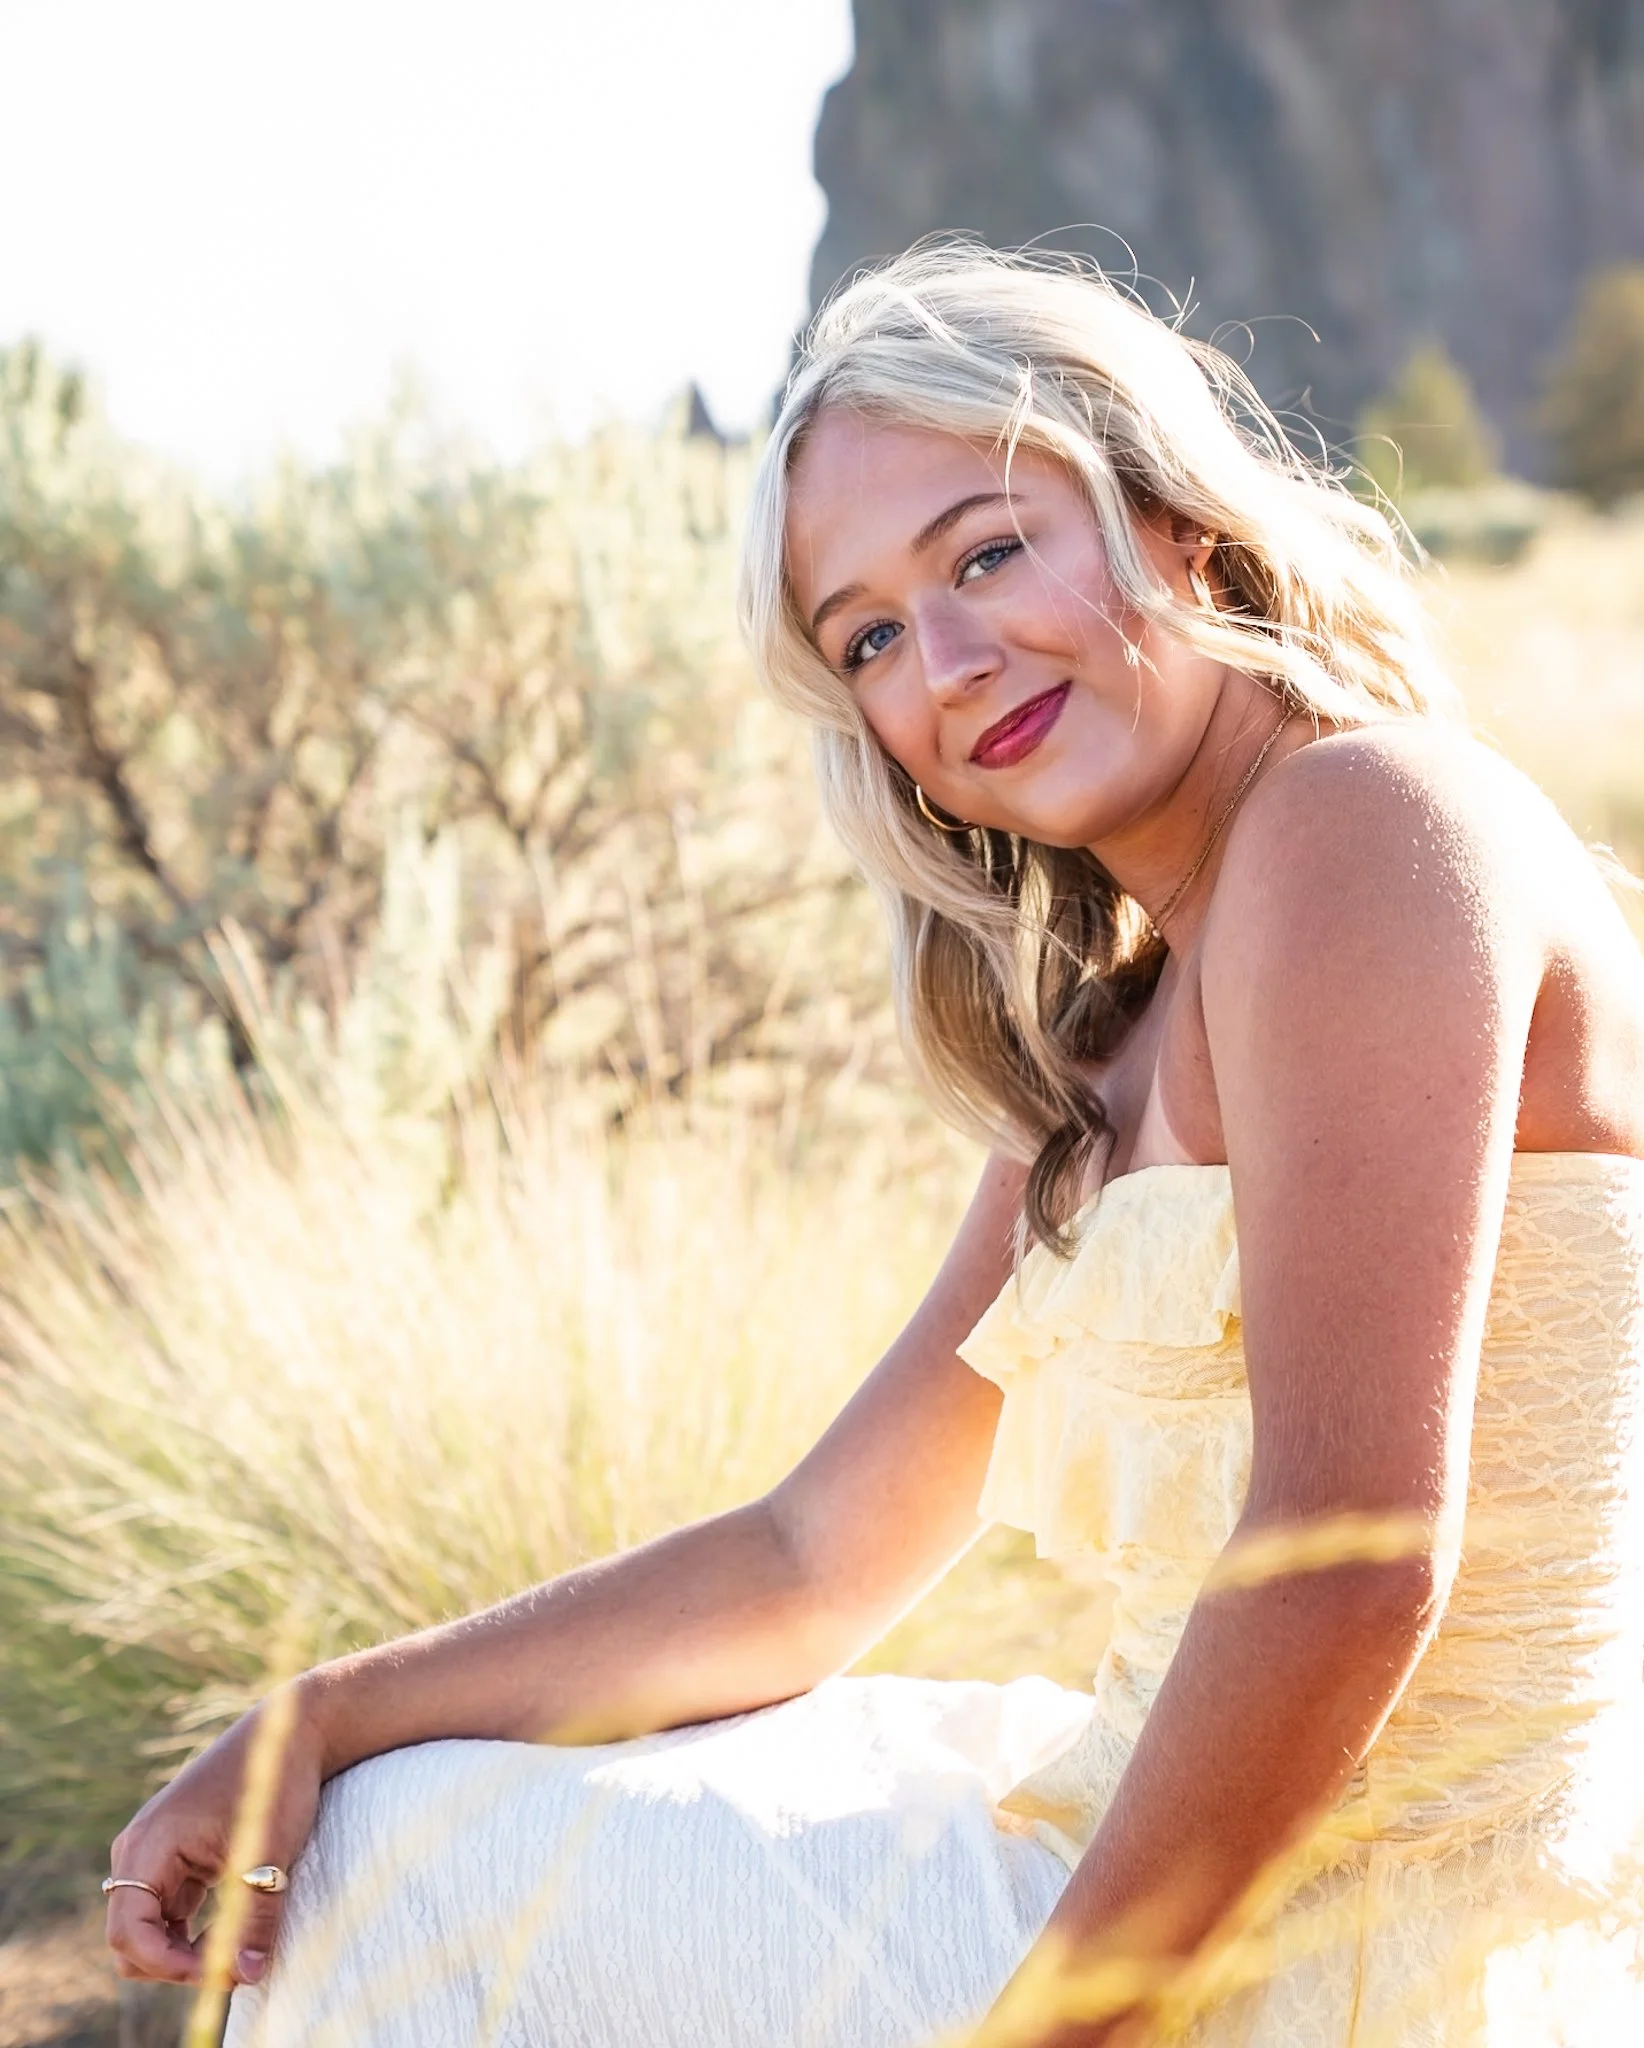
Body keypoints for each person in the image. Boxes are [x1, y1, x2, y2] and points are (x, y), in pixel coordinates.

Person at [103, 244, 1644, 2047]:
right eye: (871, 640)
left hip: (1364, 1939)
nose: (952, 663)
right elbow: (812, 1560)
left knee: (406, 1881)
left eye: (987, 552)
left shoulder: (1370, 826)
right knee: (418, 1795)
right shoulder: (1123, 1027)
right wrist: (313, 1716)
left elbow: (1355, 1555)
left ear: (1174, 522)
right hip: (1163, 1856)